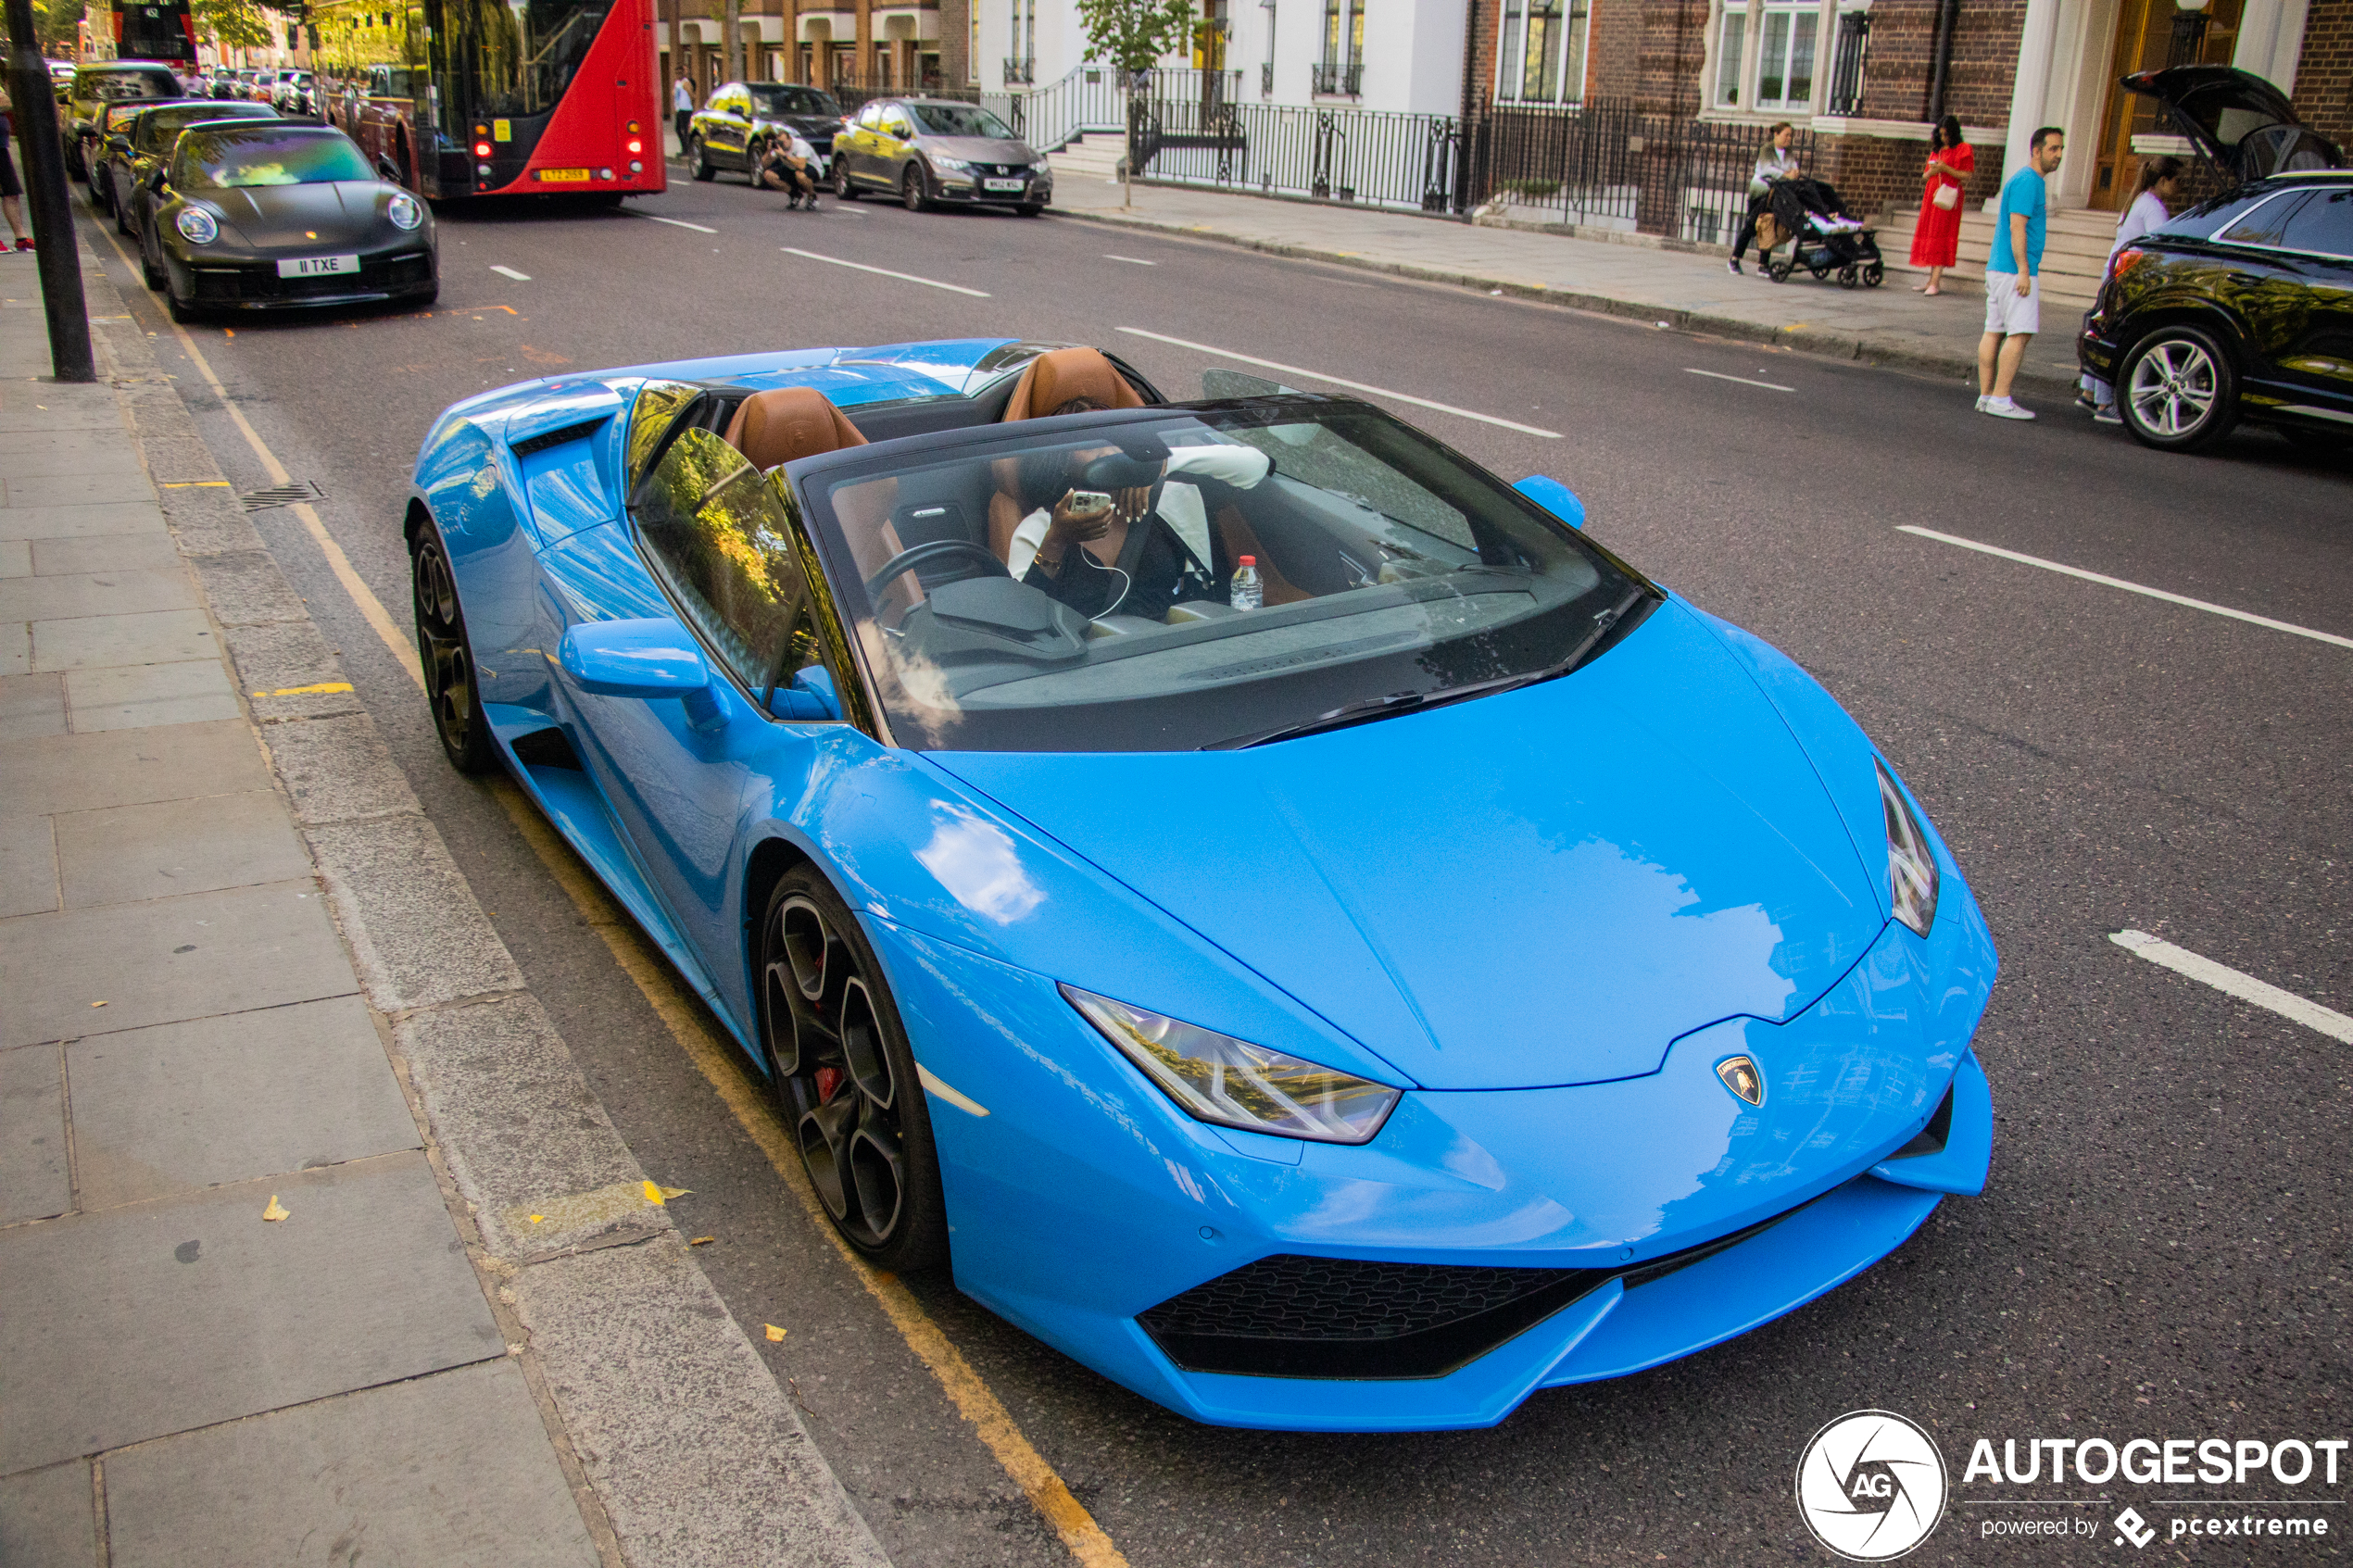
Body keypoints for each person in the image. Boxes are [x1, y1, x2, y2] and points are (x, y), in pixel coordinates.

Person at [1003, 424, 1275, 621]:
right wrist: (1056, 541)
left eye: (1114, 436)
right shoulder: (1038, 529)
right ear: (1061, 460)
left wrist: (1162, 463)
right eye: (1088, 442)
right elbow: (1020, 619)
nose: (1107, 447)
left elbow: (1256, 466)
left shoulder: (1169, 500)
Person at [2081, 155, 2184, 424]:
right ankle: (2105, 405)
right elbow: (2158, 247)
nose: (2180, 187)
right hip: (2126, 275)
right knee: (2115, 334)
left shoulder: (2137, 200)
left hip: (2113, 270)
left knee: (2103, 328)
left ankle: (2088, 390)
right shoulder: (2154, 208)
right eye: (2177, 181)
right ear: (2163, 180)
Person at [1977, 126, 2064, 420]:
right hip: (2015, 270)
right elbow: (2018, 226)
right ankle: (2001, 398)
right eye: (2053, 149)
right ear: (2036, 151)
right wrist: (2024, 271)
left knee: (1994, 330)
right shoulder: (2030, 182)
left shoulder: (2022, 180)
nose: (2059, 155)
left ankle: (1986, 396)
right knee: (2020, 333)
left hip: (1999, 267)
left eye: (2061, 149)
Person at [1909, 116, 1972, 295]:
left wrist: (1946, 169)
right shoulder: (1937, 150)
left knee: (1941, 234)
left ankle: (1935, 281)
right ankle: (1930, 280)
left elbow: (1966, 175)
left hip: (1949, 195)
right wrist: (1933, 170)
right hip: (1932, 194)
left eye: (1947, 135)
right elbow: (1924, 175)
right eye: (1941, 134)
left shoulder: (1963, 148)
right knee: (1930, 233)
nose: (1944, 138)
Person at [1729, 122, 1799, 276]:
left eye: (1790, 135)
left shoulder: (1788, 152)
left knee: (1769, 226)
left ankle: (1763, 264)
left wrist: (1794, 173)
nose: (1789, 138)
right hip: (1761, 192)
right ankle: (1734, 259)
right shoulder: (1766, 150)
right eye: (1786, 134)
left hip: (1777, 194)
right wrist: (1786, 174)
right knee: (1752, 225)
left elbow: (1794, 167)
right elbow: (1768, 170)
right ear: (1776, 134)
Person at [0, 83, 31, 252]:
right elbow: (5, 102)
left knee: (11, 192)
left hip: (2, 147)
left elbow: (7, 101)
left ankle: (21, 238)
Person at [755, 130, 821, 207]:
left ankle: (812, 196)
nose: (783, 145)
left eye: (784, 142)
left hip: (811, 168)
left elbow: (801, 166)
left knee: (800, 175)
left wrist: (785, 156)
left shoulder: (800, 145)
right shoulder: (779, 147)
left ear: (790, 138)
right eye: (780, 142)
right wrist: (769, 151)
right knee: (768, 175)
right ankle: (795, 194)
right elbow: (764, 165)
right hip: (791, 168)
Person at [673, 75, 695, 152]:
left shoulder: (686, 83)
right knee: (680, 129)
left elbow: (691, 95)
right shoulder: (678, 83)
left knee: (684, 129)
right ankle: (685, 147)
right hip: (681, 109)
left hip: (685, 109)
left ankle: (686, 149)